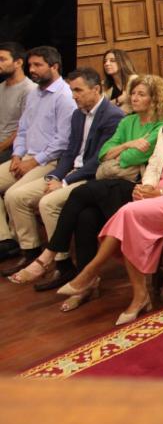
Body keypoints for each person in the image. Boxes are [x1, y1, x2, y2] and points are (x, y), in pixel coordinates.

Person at [57, 85, 163, 325]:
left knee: (126, 213)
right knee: (128, 222)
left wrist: (160, 192)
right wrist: (146, 186)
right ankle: (138, 295)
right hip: (160, 193)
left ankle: (92, 273)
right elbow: (154, 165)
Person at [7, 75, 163, 300]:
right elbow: (105, 153)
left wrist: (122, 151)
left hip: (136, 186)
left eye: (141, 94)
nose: (134, 97)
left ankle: (48, 256)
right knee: (85, 216)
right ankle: (86, 282)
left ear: (155, 98)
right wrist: (127, 144)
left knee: (79, 192)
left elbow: (131, 158)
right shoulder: (128, 121)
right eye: (133, 93)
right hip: (110, 182)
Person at [2, 68, 123, 278]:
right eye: (71, 90)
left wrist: (65, 181)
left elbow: (97, 162)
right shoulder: (78, 114)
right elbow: (69, 152)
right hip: (70, 172)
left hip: (90, 177)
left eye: (78, 90)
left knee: (48, 203)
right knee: (16, 196)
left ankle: (62, 264)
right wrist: (55, 176)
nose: (74, 95)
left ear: (96, 89)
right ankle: (30, 252)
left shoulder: (113, 116)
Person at [0, 46, 75, 264]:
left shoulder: (65, 96)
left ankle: (30, 250)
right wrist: (17, 155)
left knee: (15, 195)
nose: (32, 69)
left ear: (54, 66)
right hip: (25, 157)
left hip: (50, 161)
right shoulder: (35, 94)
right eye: (31, 65)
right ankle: (7, 240)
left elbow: (62, 141)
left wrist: (33, 161)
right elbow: (22, 130)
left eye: (38, 65)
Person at [0, 43, 35, 164]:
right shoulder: (1, 87)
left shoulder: (30, 90)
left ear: (18, 63)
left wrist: (1, 147)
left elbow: (24, 128)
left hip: (12, 148)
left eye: (2, 59)